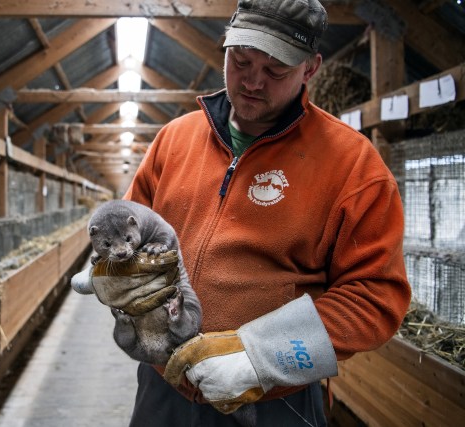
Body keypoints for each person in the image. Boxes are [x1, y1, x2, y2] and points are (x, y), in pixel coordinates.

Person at [113, 0, 413, 425]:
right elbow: (133, 228)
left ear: (311, 68)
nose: (253, 81)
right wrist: (122, 278)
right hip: (165, 387)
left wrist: (262, 357)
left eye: (276, 71)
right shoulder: (174, 140)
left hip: (273, 401)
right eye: (241, 60)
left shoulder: (352, 165)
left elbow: (376, 295)